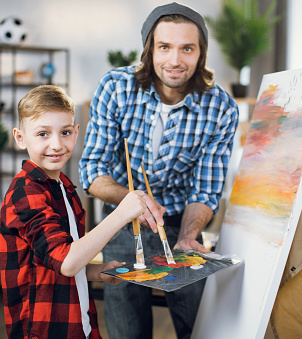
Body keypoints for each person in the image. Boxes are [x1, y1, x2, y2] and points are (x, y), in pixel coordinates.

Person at [79, 3, 239, 338]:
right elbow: (92, 171)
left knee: (197, 326)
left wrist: (188, 236)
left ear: (201, 53)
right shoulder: (116, 87)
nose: (175, 60)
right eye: (165, 47)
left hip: (183, 220)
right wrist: (133, 200)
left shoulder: (221, 107)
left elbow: (205, 191)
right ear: (150, 49)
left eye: (187, 48)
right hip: (122, 222)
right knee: (127, 329)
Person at [0, 85, 163, 339]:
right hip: (44, 330)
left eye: (65, 132)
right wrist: (121, 213)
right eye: (43, 134)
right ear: (20, 138)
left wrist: (95, 272)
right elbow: (67, 262)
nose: (56, 144)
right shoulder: (25, 192)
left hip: (78, 323)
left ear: (76, 134)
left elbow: (55, 261)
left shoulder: (63, 186)